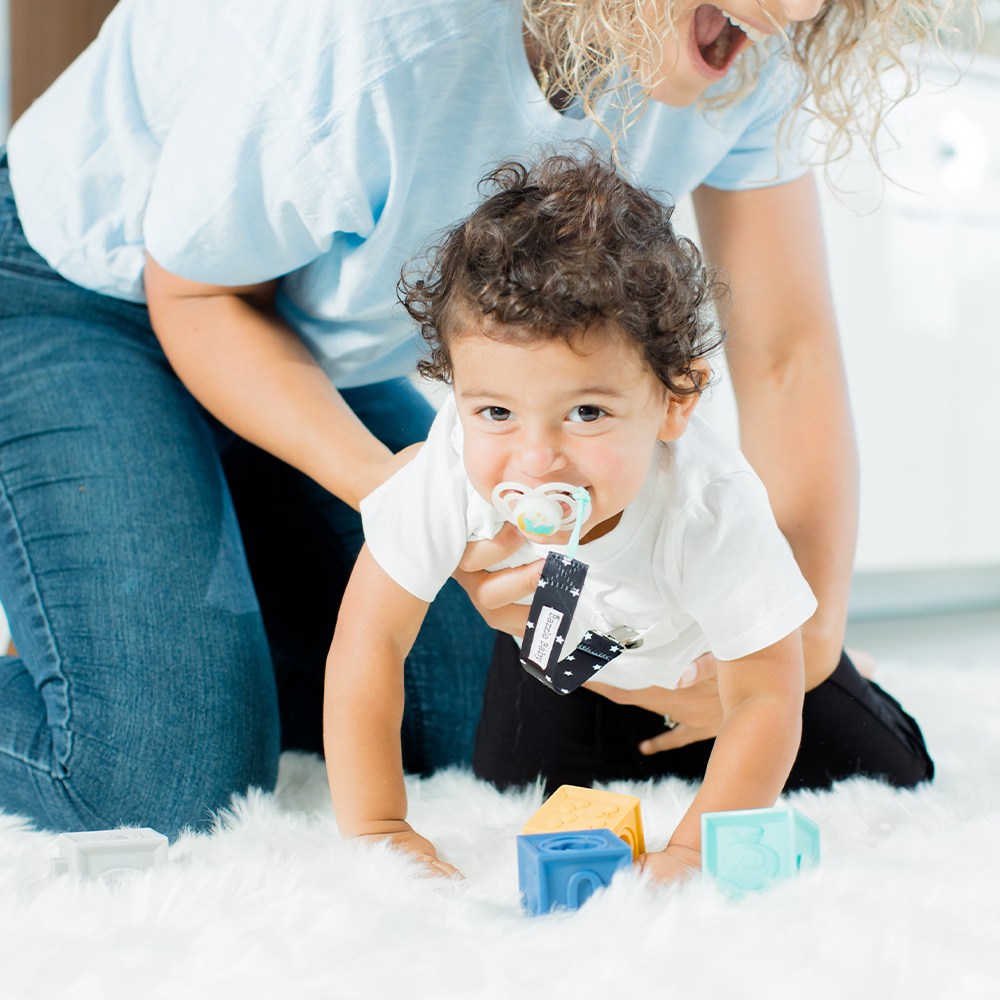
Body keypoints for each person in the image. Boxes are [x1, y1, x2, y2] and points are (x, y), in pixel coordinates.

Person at [0, 0, 954, 837]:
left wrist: (803, 639)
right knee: (156, 773)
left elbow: (786, 352)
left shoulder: (748, 28)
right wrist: (413, 504)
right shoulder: (371, 28)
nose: (800, 5)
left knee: (475, 708)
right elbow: (200, 297)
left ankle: (141, 618)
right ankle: (118, 637)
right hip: (85, 288)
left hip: (310, 336)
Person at [325, 151, 932, 879]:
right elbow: (369, 641)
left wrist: (687, 851)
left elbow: (765, 699)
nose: (534, 459)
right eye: (495, 411)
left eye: (585, 412)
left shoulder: (709, 505)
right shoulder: (451, 462)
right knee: (512, 780)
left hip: (712, 665)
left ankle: (836, 658)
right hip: (577, 653)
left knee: (884, 768)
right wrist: (377, 824)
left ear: (675, 400)